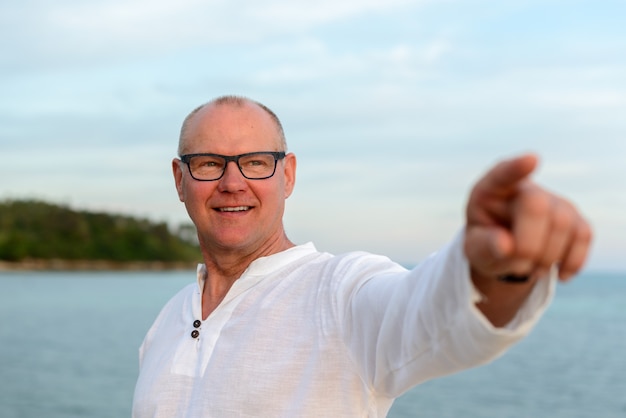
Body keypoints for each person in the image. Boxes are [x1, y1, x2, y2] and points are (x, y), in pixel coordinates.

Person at [132, 95, 592, 417]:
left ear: (287, 175)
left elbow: (426, 312)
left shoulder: (340, 293)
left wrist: (494, 270)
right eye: (209, 163)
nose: (232, 183)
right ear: (179, 179)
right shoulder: (166, 323)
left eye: (255, 162)